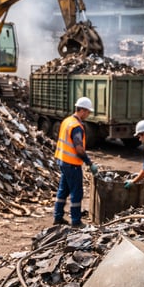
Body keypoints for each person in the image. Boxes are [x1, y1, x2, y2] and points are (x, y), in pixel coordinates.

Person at [53, 97, 98, 228]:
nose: (88, 115)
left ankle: (58, 217)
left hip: (63, 161)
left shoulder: (67, 121)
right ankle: (76, 222)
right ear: (82, 110)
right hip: (72, 164)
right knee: (76, 193)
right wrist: (89, 163)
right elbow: (79, 149)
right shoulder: (77, 127)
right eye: (88, 112)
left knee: (63, 190)